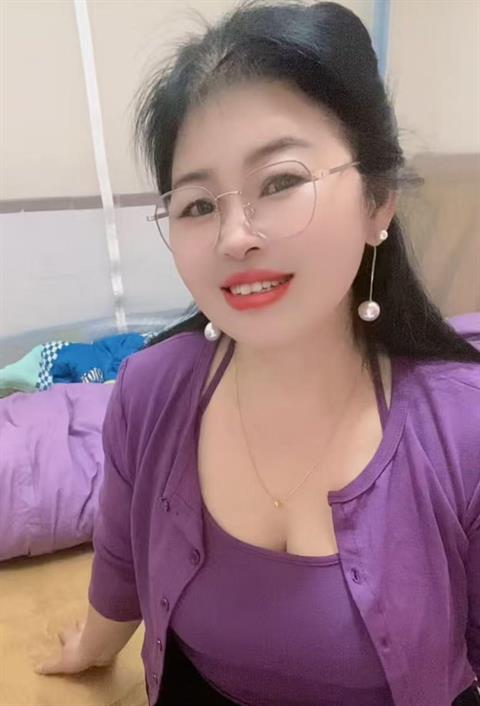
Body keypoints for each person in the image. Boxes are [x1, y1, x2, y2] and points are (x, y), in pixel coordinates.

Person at [34, 2, 480, 705]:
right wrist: (91, 647)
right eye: (197, 205)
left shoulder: (463, 431)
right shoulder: (150, 391)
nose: (234, 236)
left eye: (280, 182)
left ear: (378, 200)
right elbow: (120, 559)